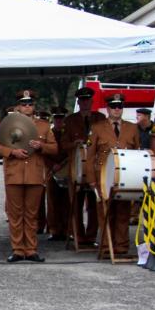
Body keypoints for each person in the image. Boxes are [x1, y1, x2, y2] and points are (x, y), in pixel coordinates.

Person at [0, 89, 58, 262]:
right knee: (15, 214)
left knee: (31, 214)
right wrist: (12, 152)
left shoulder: (43, 125)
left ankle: (31, 249)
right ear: (18, 106)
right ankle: (18, 249)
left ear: (34, 106)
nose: (27, 107)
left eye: (30, 104)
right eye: (24, 104)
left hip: (34, 174)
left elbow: (54, 148)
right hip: (14, 173)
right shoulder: (8, 123)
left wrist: (41, 146)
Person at [87, 94, 140, 256]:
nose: (117, 110)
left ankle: (122, 246)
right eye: (114, 107)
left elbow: (137, 153)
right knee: (105, 213)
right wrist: (91, 179)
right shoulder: (97, 127)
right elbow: (90, 155)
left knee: (123, 212)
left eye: (120, 107)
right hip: (103, 176)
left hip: (126, 176)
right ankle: (105, 246)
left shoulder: (132, 128)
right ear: (108, 108)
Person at [61, 86, 102, 245]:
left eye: (87, 100)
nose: (85, 103)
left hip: (95, 168)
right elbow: (63, 144)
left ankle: (91, 236)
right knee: (76, 204)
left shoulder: (100, 118)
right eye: (82, 100)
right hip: (76, 168)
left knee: (94, 203)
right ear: (78, 102)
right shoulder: (70, 120)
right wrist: (74, 144)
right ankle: (77, 235)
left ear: (91, 101)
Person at [45, 108, 70, 241]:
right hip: (52, 169)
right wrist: (52, 166)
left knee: (67, 202)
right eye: (57, 118)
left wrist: (64, 164)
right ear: (53, 119)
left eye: (61, 118)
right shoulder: (50, 133)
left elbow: (71, 152)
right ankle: (54, 230)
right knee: (52, 202)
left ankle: (67, 230)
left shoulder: (67, 134)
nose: (59, 120)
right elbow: (44, 151)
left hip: (66, 169)